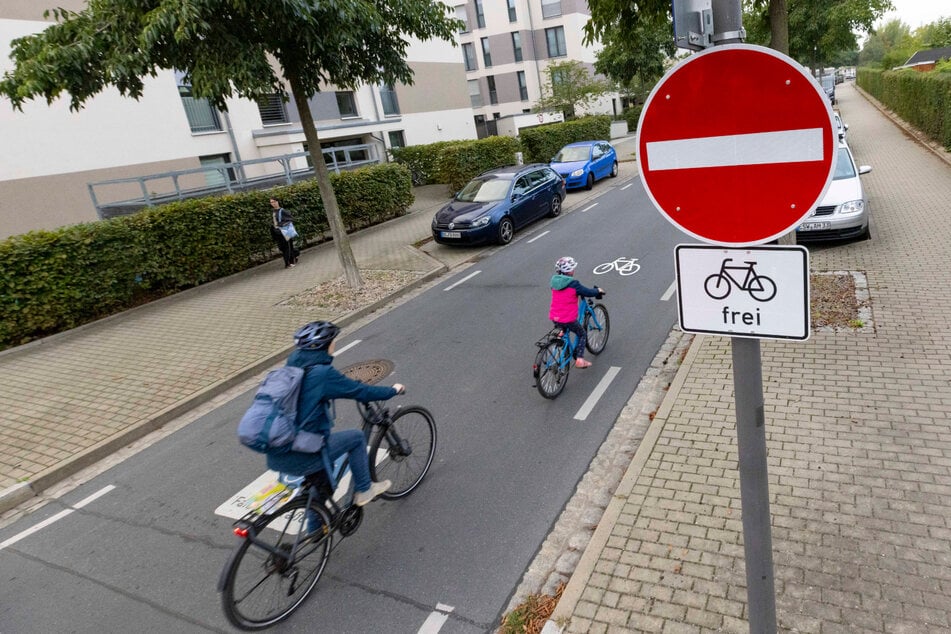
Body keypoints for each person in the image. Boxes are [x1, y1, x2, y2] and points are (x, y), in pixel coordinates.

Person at [266, 321, 404, 506]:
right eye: (333, 340)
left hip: (277, 451)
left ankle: (317, 533)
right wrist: (392, 390)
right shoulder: (322, 374)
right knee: (356, 438)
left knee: (318, 494)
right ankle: (365, 490)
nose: (335, 344)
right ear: (325, 345)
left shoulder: (294, 364)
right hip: (302, 452)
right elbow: (360, 391)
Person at [549, 256, 603, 369]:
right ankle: (580, 359)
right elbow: (587, 292)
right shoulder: (574, 284)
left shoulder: (554, 282)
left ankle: (561, 337)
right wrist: (598, 290)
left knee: (563, 327)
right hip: (568, 319)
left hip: (555, 317)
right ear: (569, 271)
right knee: (582, 333)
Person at [269, 197, 299, 268]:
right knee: (283, 247)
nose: (273, 203)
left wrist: (281, 224)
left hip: (285, 231)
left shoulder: (283, 211)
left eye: (274, 201)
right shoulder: (273, 211)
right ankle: (295, 255)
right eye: (271, 202)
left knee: (287, 247)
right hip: (279, 233)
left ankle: (289, 262)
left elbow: (290, 219)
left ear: (277, 202)